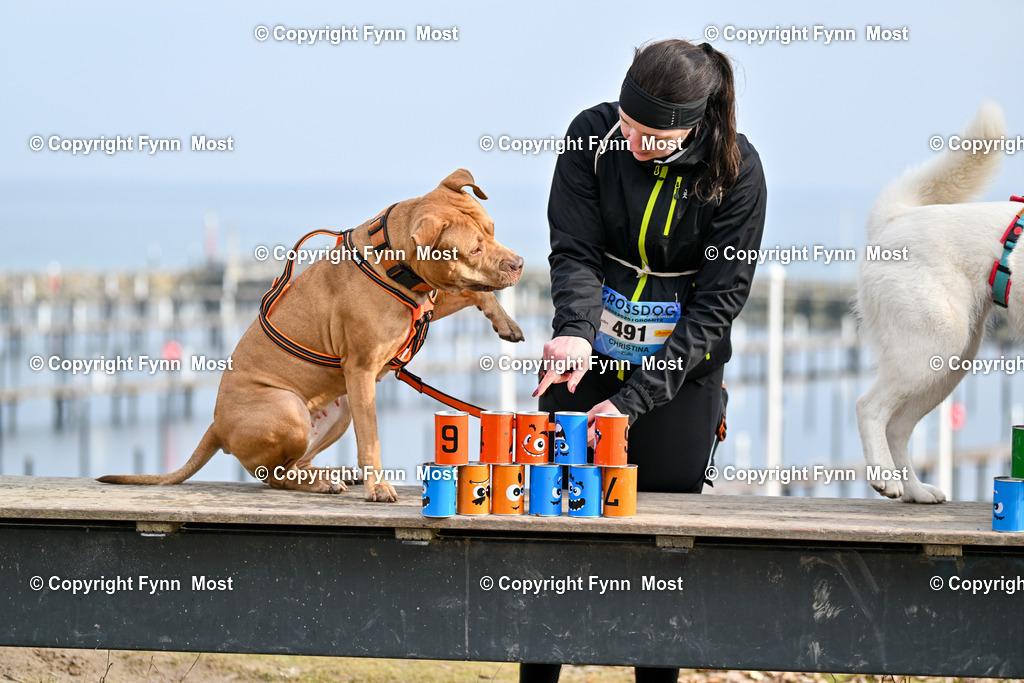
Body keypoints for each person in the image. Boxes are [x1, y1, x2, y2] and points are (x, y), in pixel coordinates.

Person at [522, 39, 766, 683]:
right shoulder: (590, 136)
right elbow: (572, 247)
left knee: (663, 544)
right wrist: (573, 332)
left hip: (682, 366)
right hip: (587, 356)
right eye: (629, 125)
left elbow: (717, 306)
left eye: (653, 136)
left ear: (696, 123)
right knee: (557, 522)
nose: (634, 142)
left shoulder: (739, 172)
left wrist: (630, 405)